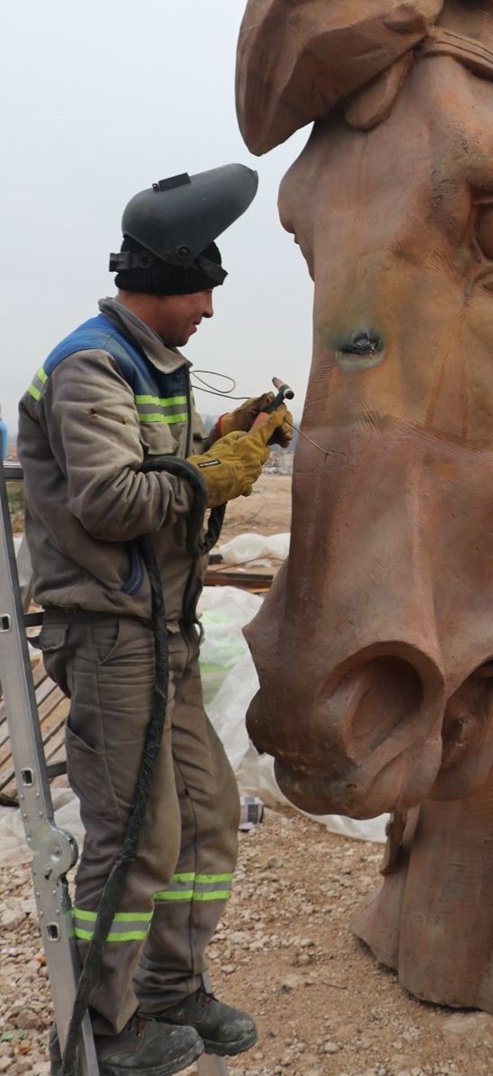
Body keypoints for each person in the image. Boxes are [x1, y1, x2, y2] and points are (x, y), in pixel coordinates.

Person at [18, 165, 293, 1076]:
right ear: (166, 282)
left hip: (157, 633)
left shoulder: (149, 365)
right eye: (204, 288)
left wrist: (223, 438)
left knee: (207, 818)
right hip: (109, 638)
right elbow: (107, 497)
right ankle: (103, 1022)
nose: (212, 307)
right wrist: (211, 475)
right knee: (134, 836)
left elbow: (157, 463)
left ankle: (172, 990)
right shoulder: (92, 364)